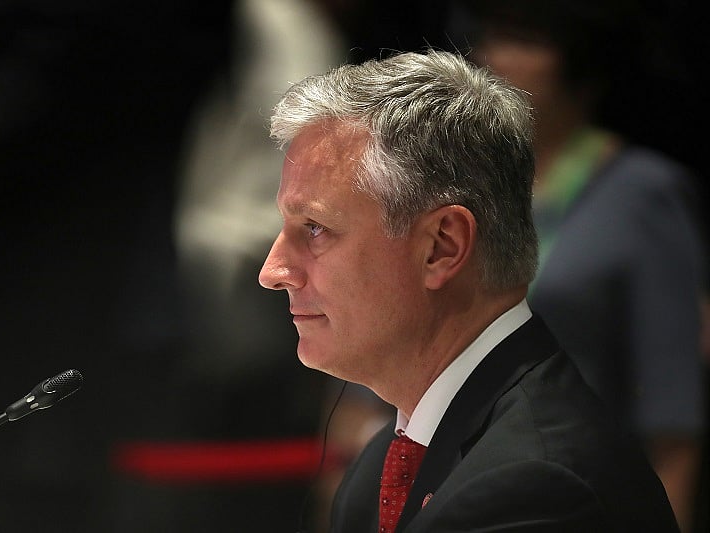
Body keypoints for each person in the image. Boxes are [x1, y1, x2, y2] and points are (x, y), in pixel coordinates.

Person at [258, 49, 680, 532]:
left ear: (442, 246)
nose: (273, 271)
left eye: (313, 227)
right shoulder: (379, 467)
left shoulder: (535, 487)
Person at [446, 1, 707, 530]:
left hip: (579, 501)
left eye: (526, 40)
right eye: (492, 37)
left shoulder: (643, 193)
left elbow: (672, 420)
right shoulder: (450, 184)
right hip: (448, 491)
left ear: (582, 62)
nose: (497, 58)